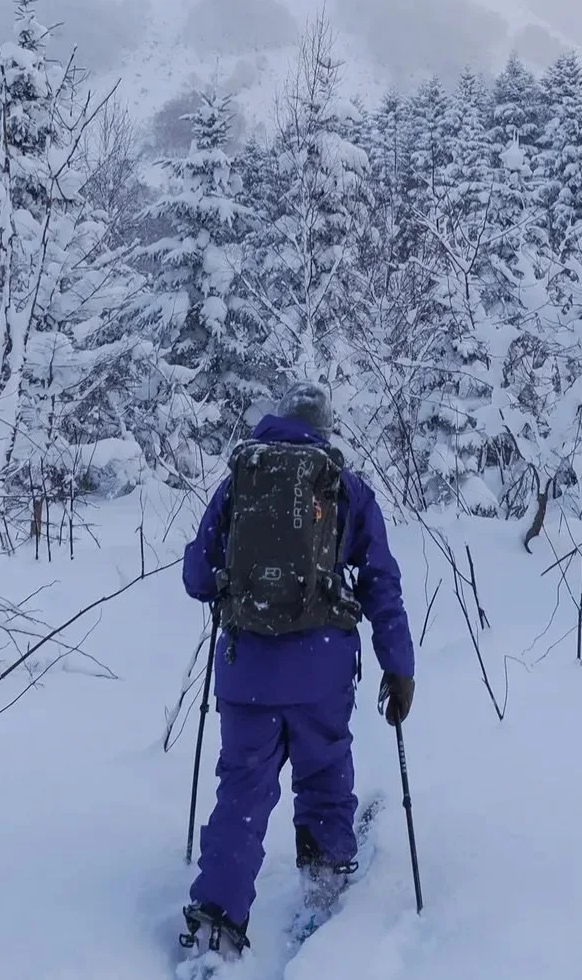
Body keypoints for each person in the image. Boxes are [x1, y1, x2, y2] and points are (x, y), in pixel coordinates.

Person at [180, 381, 415, 959]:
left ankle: (215, 925)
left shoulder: (243, 477)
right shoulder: (344, 488)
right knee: (324, 777)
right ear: (324, 428)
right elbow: (381, 581)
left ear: (280, 419)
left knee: (242, 793)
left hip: (246, 673)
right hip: (321, 672)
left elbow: (196, 576)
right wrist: (398, 667)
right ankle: (324, 889)